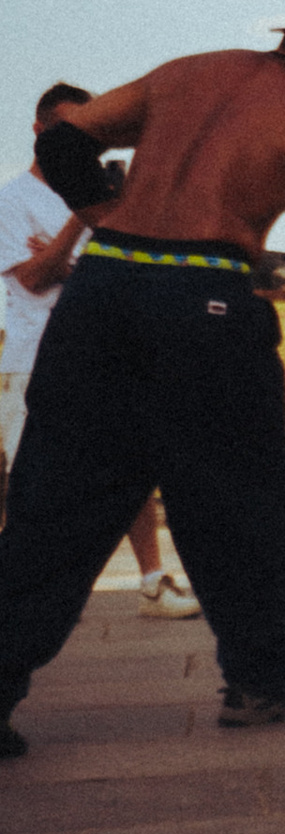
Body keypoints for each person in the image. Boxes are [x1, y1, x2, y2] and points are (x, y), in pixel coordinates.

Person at [0, 0, 285, 748]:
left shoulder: (184, 72)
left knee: (53, 502)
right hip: (205, 299)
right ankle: (261, 684)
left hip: (103, 288)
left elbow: (63, 142)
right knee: (239, 505)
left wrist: (104, 220)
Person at [2, 83, 201, 620]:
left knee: (130, 464)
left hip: (106, 346)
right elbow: (35, 280)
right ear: (42, 134)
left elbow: (132, 273)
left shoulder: (117, 204)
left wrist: (73, 262)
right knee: (35, 481)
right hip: (38, 353)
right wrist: (75, 219)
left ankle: (153, 578)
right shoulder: (11, 201)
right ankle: (20, 595)